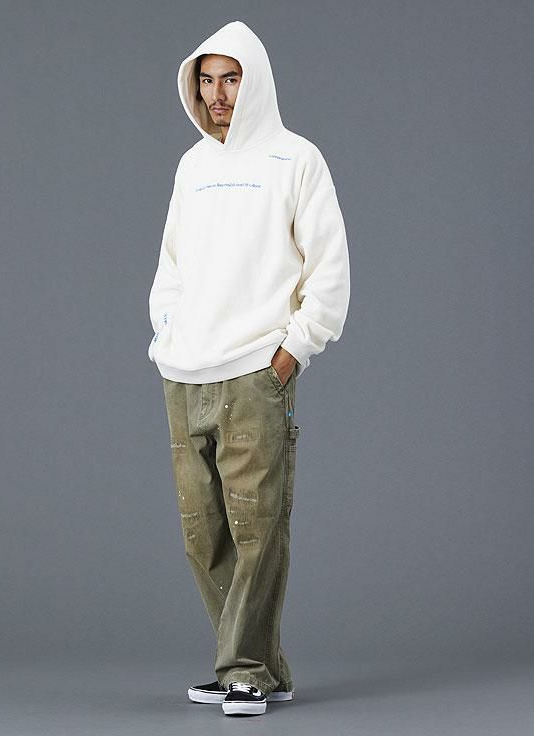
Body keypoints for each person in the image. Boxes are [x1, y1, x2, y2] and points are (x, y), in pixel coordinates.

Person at [148, 20, 350, 717]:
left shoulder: (298, 160)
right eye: (206, 80)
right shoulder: (192, 166)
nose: (217, 94)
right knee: (201, 532)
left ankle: (242, 669)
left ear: (254, 80)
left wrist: (292, 351)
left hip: (256, 372)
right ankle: (262, 665)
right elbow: (171, 267)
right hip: (185, 374)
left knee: (257, 527)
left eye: (230, 79)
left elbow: (329, 270)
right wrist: (168, 333)